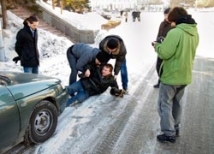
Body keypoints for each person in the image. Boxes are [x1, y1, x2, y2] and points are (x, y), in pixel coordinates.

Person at [152, 7, 199, 143]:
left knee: (164, 104)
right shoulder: (194, 32)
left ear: (175, 20)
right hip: (185, 74)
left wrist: (157, 46)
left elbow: (164, 53)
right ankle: (175, 128)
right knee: (176, 103)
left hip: (171, 75)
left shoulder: (175, 32)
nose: (171, 24)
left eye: (172, 21)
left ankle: (168, 132)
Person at [154, 7, 172, 88]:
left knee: (165, 67)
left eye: (167, 15)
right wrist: (156, 43)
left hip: (168, 49)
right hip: (160, 48)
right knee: (158, 66)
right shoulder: (162, 23)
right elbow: (159, 34)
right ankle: (160, 80)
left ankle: (163, 82)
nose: (165, 17)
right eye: (164, 15)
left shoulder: (174, 25)